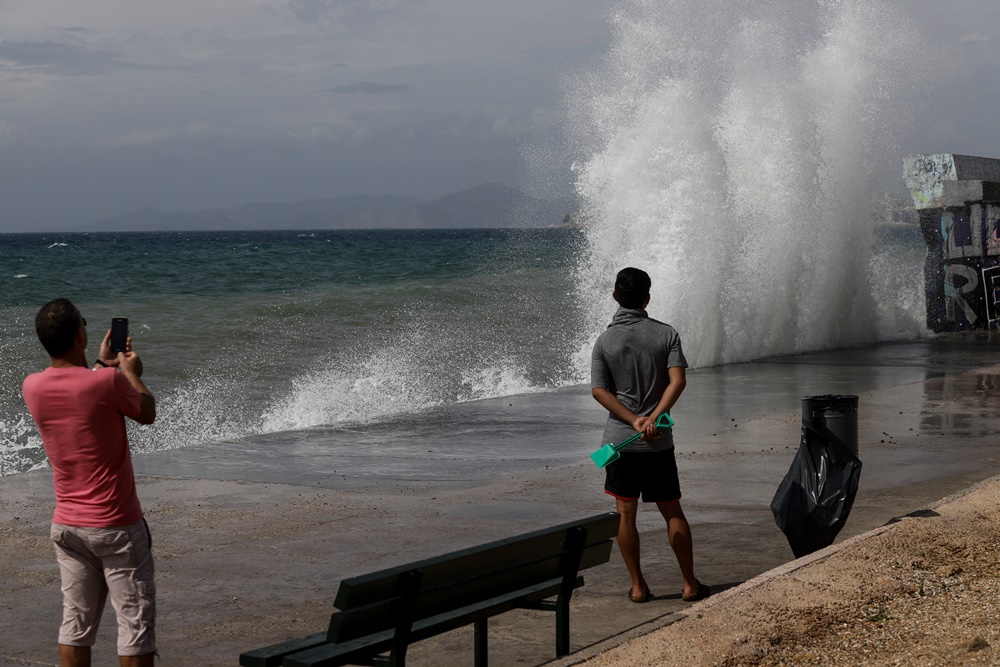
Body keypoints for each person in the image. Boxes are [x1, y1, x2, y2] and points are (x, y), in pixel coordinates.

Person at [22, 299, 158, 667]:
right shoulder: (110, 382)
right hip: (115, 525)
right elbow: (147, 412)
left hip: (67, 525)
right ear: (81, 334)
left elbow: (81, 388)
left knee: (75, 625)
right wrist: (131, 372)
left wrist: (100, 363)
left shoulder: (32, 387)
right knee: (134, 628)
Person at [590, 267, 709, 604]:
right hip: (658, 441)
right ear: (647, 297)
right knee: (672, 511)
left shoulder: (605, 341)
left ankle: (638, 586)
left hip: (620, 442)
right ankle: (689, 583)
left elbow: (599, 391)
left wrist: (632, 420)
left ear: (615, 295)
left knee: (625, 514)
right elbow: (678, 381)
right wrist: (653, 419)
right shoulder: (666, 334)